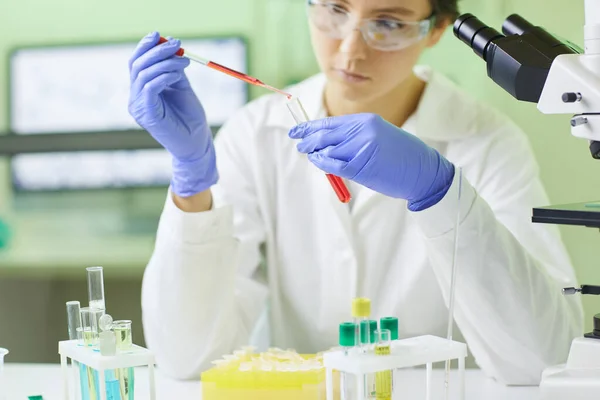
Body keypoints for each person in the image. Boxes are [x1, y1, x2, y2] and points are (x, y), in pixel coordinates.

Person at [128, 0, 583, 385]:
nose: (349, 49)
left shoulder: (488, 142)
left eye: (387, 23)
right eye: (334, 9)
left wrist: (441, 194)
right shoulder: (255, 132)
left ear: (437, 29)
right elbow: (187, 359)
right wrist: (192, 181)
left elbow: (541, 361)